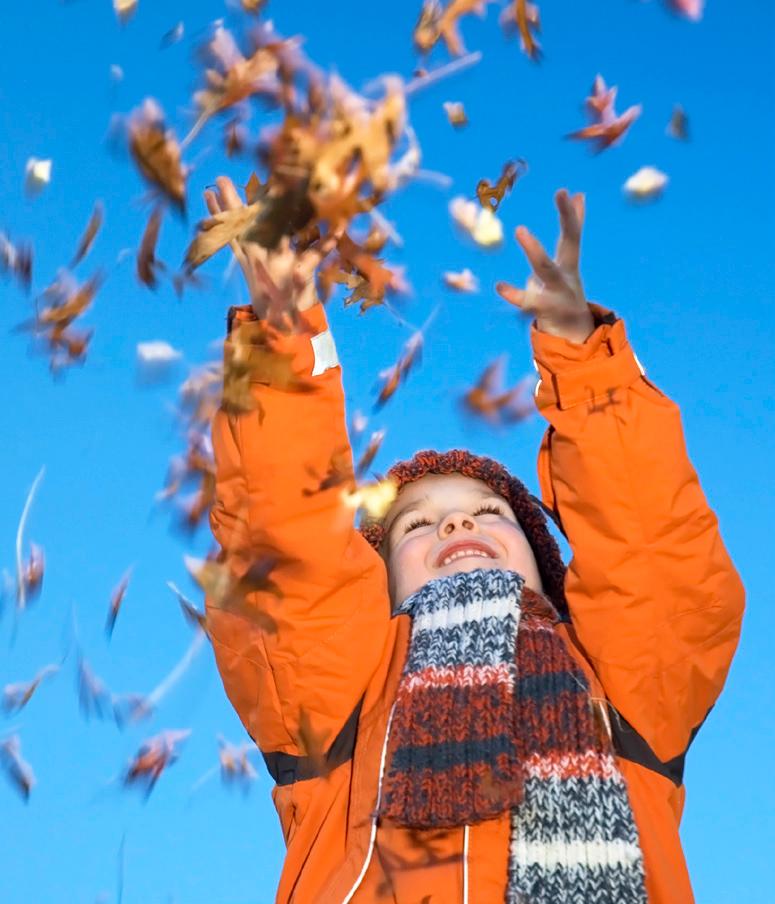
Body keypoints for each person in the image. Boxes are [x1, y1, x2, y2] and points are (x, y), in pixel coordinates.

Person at [204, 176, 745, 903]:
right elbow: (283, 536)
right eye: (417, 524)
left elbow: (652, 549)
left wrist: (584, 365)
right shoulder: (342, 690)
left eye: (487, 513)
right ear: (377, 581)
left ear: (542, 562)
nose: (456, 523)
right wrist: (278, 341)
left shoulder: (621, 685)